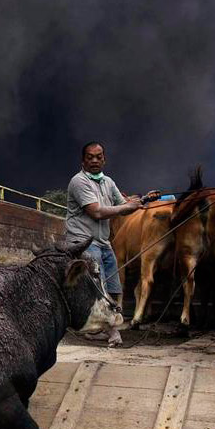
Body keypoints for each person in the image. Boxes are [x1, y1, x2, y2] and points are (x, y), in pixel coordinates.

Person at [65, 141, 159, 346]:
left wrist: (143, 200)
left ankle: (99, 329)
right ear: (83, 161)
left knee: (115, 288)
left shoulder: (107, 182)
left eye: (98, 157)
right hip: (83, 241)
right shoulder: (79, 182)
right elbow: (97, 212)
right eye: (90, 157)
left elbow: (123, 204)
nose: (94, 160)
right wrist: (128, 207)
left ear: (104, 160)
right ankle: (113, 333)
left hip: (103, 242)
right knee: (100, 287)